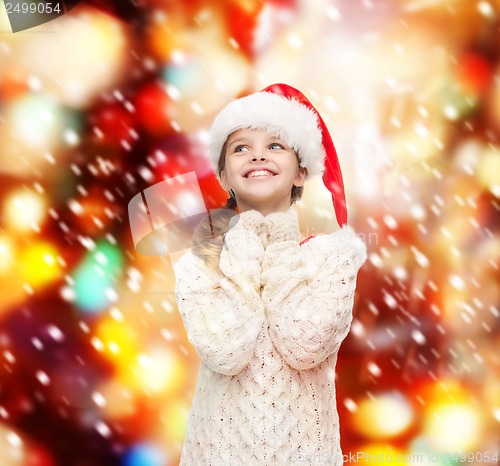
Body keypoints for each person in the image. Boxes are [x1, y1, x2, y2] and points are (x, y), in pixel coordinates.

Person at [173, 83, 367, 465]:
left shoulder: (334, 258)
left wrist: (278, 238)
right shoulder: (199, 264)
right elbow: (226, 351)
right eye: (241, 147)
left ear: (301, 173)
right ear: (225, 177)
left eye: (275, 145)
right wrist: (244, 238)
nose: (257, 155)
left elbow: (303, 345)